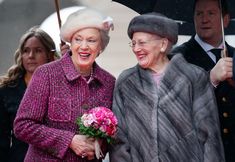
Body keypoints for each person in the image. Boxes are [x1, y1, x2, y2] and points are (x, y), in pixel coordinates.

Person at [109, 12, 225, 162]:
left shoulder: (193, 77)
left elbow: (210, 137)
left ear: (163, 44)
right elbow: (119, 140)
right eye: (133, 43)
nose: (136, 48)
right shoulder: (127, 81)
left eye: (142, 43)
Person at [13, 8, 115, 161]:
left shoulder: (109, 83)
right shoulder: (46, 74)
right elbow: (23, 126)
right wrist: (69, 140)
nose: (84, 46)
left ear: (101, 46)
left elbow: (112, 135)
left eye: (91, 40)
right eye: (78, 39)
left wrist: (99, 145)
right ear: (70, 42)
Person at [172, 0, 235, 161]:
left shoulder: (233, 55)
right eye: (199, 14)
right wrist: (210, 78)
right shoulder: (178, 57)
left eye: (211, 13)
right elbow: (173, 103)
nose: (204, 19)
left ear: (225, 20)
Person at [0, 26, 56, 162]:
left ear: (49, 54)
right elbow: (1, 137)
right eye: (26, 51)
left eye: (38, 50)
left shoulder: (59, 86)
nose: (31, 56)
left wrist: (69, 61)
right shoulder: (6, 89)